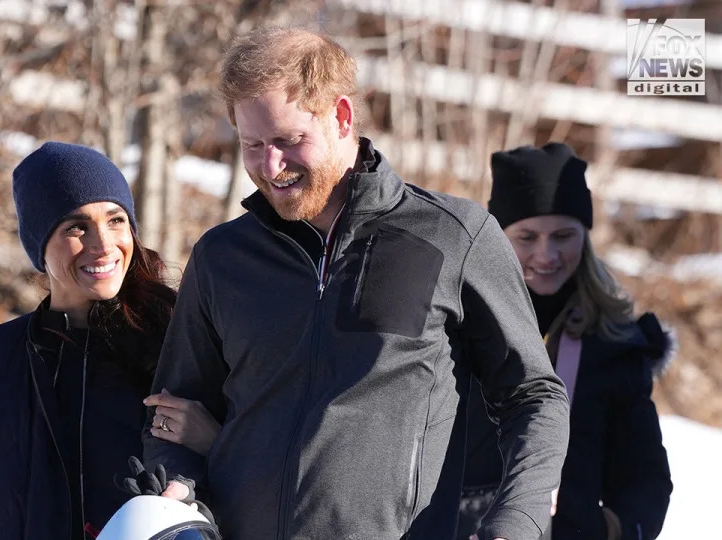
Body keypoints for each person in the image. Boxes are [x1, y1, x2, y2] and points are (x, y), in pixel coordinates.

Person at [143, 26, 570, 540]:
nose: (269, 165)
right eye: (251, 144)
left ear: (342, 116)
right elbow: (175, 415)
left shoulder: (453, 237)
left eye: (288, 140)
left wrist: (518, 518)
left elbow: (533, 394)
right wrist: (178, 486)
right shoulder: (222, 257)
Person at [0, 142, 181, 538]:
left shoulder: (177, 347)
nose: (104, 244)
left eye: (115, 220)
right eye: (76, 227)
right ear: (40, 246)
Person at [458, 143, 673, 540]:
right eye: (526, 237)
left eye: (563, 235)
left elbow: (645, 476)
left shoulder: (614, 344)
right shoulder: (455, 323)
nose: (547, 254)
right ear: (497, 237)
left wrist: (610, 527)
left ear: (585, 237)